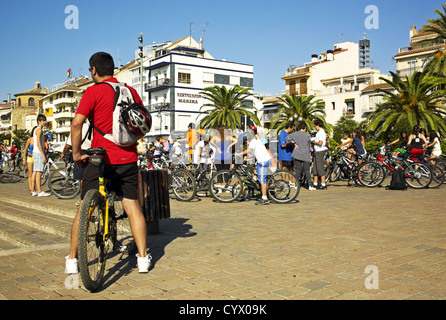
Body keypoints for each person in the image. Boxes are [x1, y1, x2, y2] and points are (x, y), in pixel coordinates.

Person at [66, 52, 150, 274]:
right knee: (132, 205)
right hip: (128, 159)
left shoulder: (93, 91)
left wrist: (76, 154)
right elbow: (142, 124)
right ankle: (143, 259)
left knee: (84, 207)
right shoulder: (130, 91)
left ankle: (72, 261)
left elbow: (76, 124)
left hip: (99, 158)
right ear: (112, 69)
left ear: (94, 70)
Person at [61, 123, 92, 206]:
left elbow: (68, 145)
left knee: (82, 178)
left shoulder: (78, 126)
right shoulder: (96, 126)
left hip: (81, 152)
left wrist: (63, 153)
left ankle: (83, 199)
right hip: (93, 152)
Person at [238, 133, 272, 205]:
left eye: (244, 143)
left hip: (263, 161)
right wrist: (247, 159)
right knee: (258, 176)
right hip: (262, 161)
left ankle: (264, 198)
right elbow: (255, 155)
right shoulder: (255, 142)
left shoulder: (253, 142)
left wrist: (239, 154)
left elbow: (249, 150)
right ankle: (264, 192)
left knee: (262, 180)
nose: (245, 144)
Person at [286, 121, 314, 190]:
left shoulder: (294, 134)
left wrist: (294, 143)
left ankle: (296, 185)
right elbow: (309, 144)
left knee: (298, 170)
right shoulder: (307, 135)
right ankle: (310, 185)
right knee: (307, 170)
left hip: (297, 153)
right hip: (305, 153)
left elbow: (287, 139)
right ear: (304, 128)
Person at [31, 114, 51, 197]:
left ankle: (33, 190)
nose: (45, 122)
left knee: (35, 172)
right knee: (39, 172)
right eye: (43, 121)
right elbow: (39, 143)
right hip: (38, 153)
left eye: (45, 120)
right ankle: (39, 191)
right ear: (39, 121)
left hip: (35, 153)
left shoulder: (36, 129)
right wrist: (43, 154)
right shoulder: (39, 130)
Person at [312, 119, 328, 190]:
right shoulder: (319, 132)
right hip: (317, 151)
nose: (315, 127)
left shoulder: (321, 132)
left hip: (320, 151)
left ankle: (323, 184)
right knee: (315, 167)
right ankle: (315, 183)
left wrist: (313, 141)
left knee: (320, 167)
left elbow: (320, 143)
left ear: (317, 125)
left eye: (315, 125)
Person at [23, 127, 37, 195]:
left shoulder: (39, 139)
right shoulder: (30, 139)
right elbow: (25, 149)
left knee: (36, 174)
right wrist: (24, 158)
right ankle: (31, 189)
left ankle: (34, 188)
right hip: (30, 157)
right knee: (30, 174)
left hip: (37, 158)